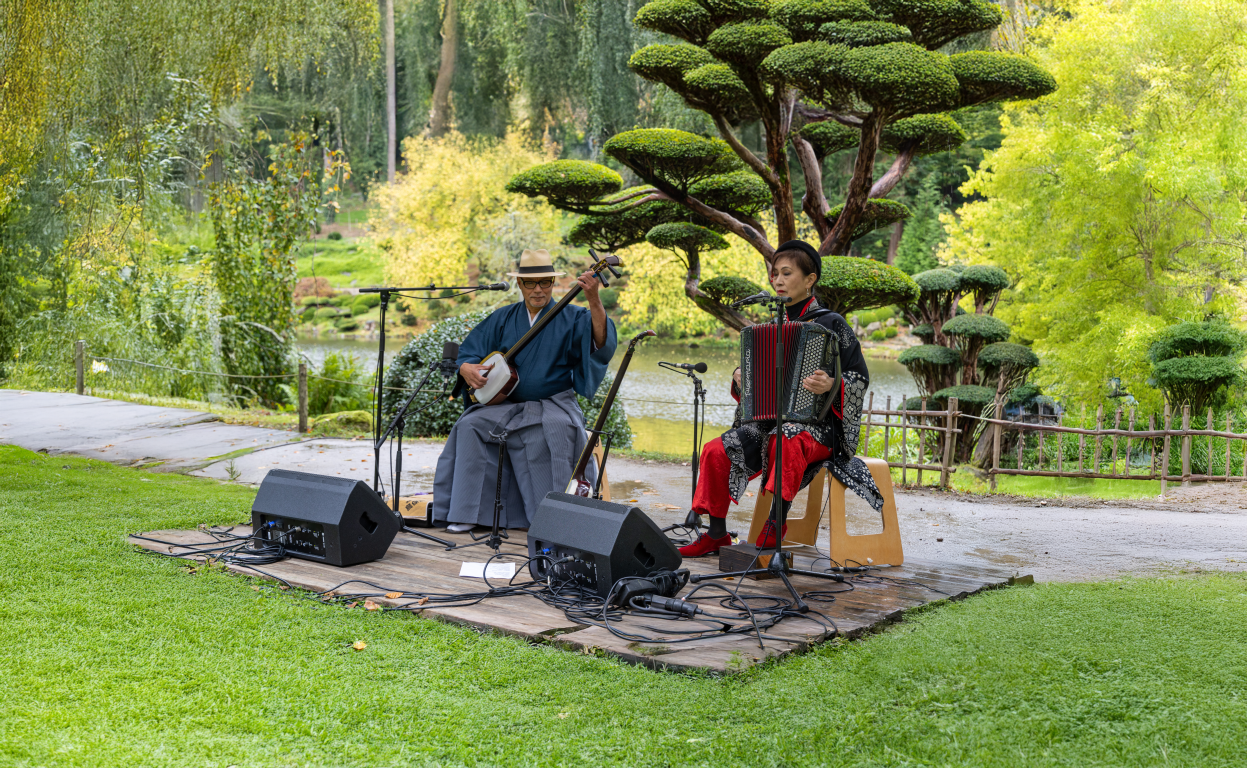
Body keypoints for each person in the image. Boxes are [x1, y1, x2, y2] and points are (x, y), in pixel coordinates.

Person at [679, 240, 884, 557]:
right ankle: (716, 534)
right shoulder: (770, 326)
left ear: (810, 279)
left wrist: (832, 384)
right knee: (716, 450)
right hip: (767, 425)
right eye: (775, 273)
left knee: (785, 437)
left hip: (820, 428)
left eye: (787, 273)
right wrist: (740, 377)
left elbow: (859, 377)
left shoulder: (832, 324)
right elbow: (753, 388)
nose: (778, 280)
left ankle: (776, 524)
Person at [433, 249, 618, 532]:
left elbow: (602, 344)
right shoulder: (504, 317)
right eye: (530, 283)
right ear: (519, 284)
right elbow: (469, 352)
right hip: (505, 404)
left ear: (553, 283)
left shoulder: (574, 316)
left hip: (553, 402)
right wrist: (465, 368)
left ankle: (553, 519)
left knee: (558, 429)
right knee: (470, 425)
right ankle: (471, 512)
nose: (538, 289)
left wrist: (593, 298)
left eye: (545, 282)